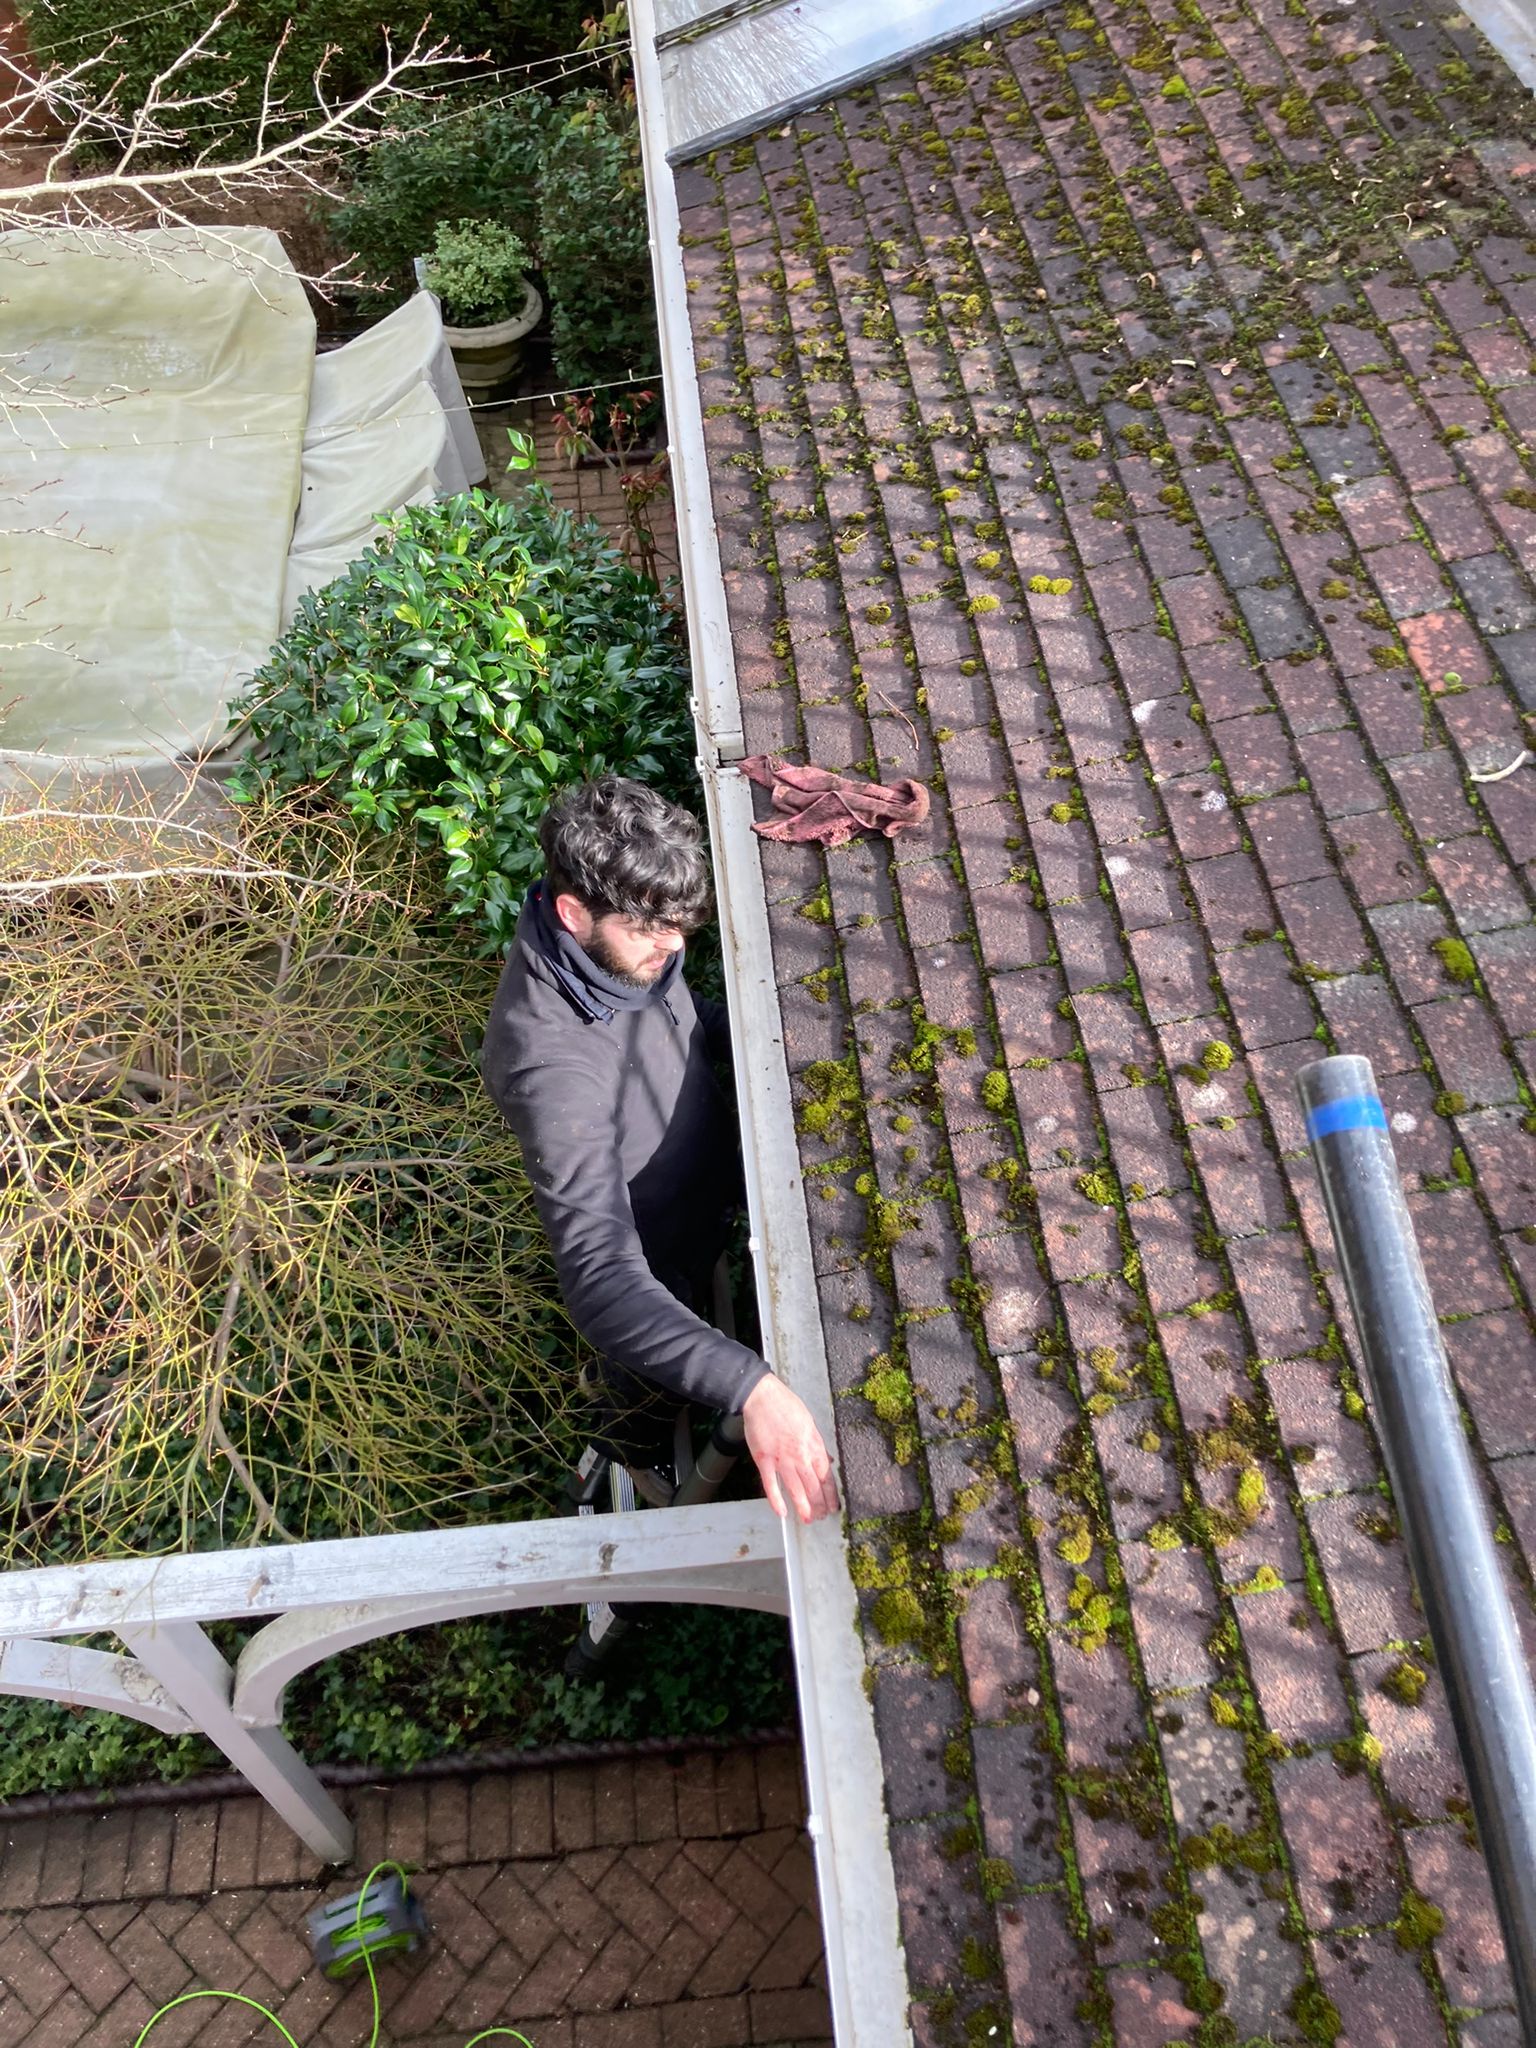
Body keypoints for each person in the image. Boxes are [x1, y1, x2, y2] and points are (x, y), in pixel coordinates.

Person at [481, 775, 839, 1525]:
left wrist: (787, 1043)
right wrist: (751, 1388)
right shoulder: (549, 1065)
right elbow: (603, 1278)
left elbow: (682, 1014)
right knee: (642, 1393)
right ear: (574, 913)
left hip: (706, 1195)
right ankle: (634, 1459)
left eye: (680, 925)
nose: (673, 945)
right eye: (651, 929)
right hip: (655, 1259)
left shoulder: (629, 943)